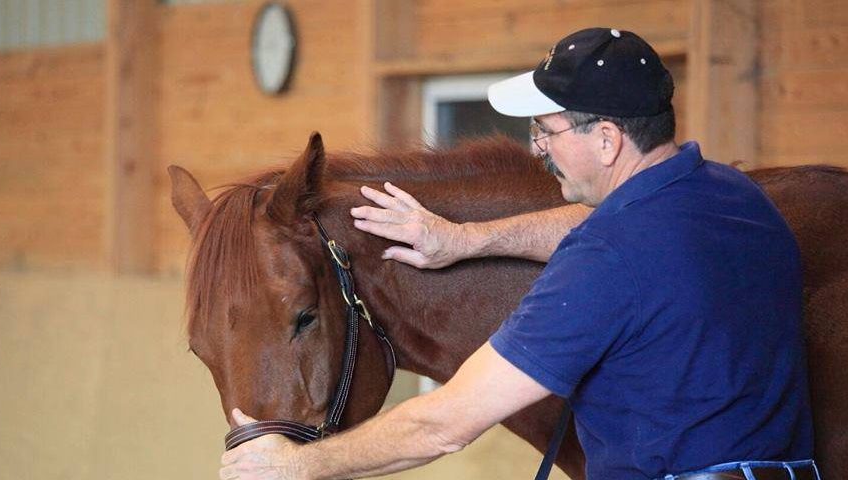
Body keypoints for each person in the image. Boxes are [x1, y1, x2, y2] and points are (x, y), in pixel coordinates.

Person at [219, 27, 817, 480]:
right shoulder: (733, 197)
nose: (538, 150)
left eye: (546, 131)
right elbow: (615, 229)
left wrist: (296, 464)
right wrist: (468, 240)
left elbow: (444, 424)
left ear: (606, 139)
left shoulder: (607, 259)